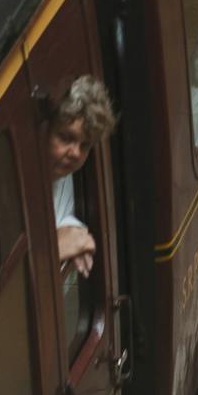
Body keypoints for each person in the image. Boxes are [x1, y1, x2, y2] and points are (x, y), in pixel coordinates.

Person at [43, 74, 118, 276]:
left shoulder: (67, 173)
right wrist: (54, 248)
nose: (75, 153)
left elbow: (63, 217)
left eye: (85, 145)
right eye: (66, 137)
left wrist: (72, 230)